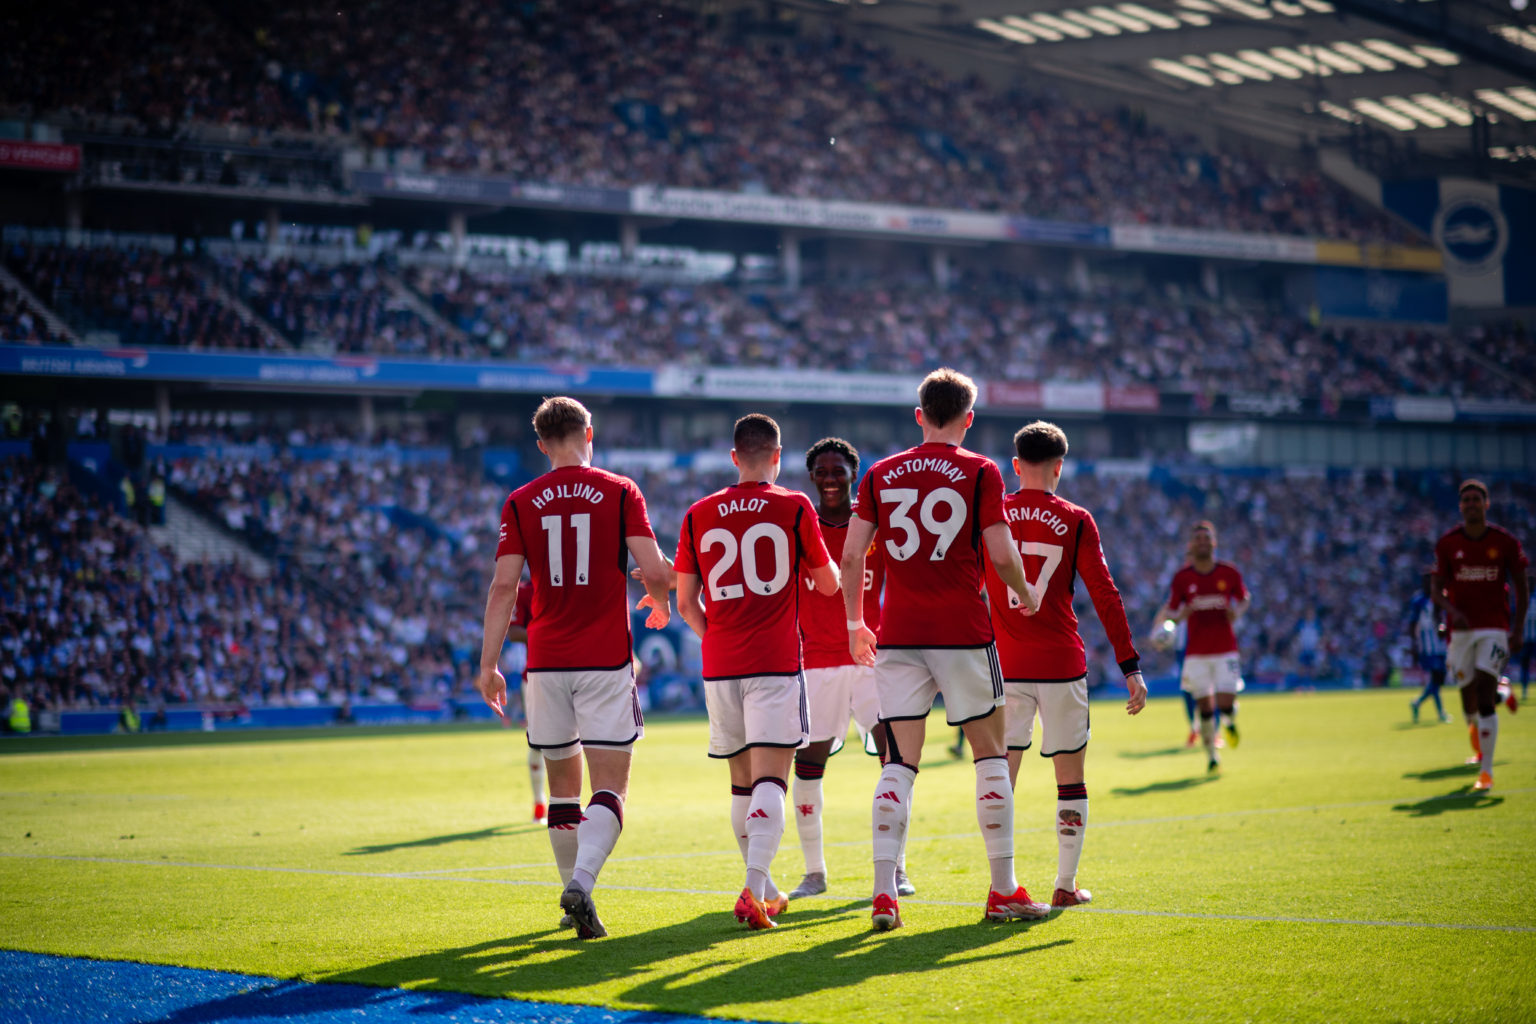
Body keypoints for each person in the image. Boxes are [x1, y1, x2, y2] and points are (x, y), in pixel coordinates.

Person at [840, 367, 1045, 931]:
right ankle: (1002, 890)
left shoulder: (880, 473)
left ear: (919, 415)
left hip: (899, 633)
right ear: (969, 419)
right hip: (961, 631)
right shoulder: (980, 471)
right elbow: (1001, 555)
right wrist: (1026, 593)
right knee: (990, 755)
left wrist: (857, 621)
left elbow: (853, 557)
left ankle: (884, 894)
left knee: (899, 762)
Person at [475, 396, 673, 940]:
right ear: (591, 432)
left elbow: (502, 587)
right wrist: (661, 595)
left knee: (562, 788)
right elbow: (653, 566)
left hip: (545, 664)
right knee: (611, 787)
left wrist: (488, 665)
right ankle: (581, 885)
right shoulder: (620, 490)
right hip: (605, 661)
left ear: (541, 445)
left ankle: (571, 899)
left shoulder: (520, 500)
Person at [672, 413, 839, 931]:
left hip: (720, 664)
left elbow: (684, 601)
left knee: (741, 785)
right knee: (772, 778)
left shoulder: (699, 512)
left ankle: (764, 887)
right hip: (773, 662)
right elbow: (829, 584)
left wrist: (716, 636)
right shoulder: (793, 506)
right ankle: (752, 889)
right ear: (777, 456)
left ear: (733, 457)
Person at [983, 422, 1147, 909]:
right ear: (1060, 467)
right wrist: (1129, 665)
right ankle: (1065, 884)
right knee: (1070, 778)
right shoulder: (1076, 519)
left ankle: (1001, 885)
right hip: (1061, 664)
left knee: (1000, 777)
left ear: (1015, 466)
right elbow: (1105, 594)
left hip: (1005, 665)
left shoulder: (992, 515)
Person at [788, 437, 913, 902]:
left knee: (895, 758)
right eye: (821, 470)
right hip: (815, 662)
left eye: (838, 469)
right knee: (808, 765)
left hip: (871, 661)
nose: (829, 478)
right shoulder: (799, 526)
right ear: (811, 476)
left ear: (854, 473)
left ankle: (897, 868)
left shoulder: (874, 525)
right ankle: (814, 872)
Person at [1430, 479, 1529, 792]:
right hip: (1460, 635)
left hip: (1495, 629)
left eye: (1477, 499)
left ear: (1486, 504)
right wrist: (1450, 610)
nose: (1471, 504)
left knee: (1483, 697)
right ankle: (1503, 691)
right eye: (1466, 500)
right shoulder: (1448, 544)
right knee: (1468, 698)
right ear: (1461, 506)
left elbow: (1522, 585)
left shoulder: (1504, 542)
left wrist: (1518, 627)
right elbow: (1436, 587)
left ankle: (1486, 772)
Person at [1152, 521, 1250, 773]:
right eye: (1198, 539)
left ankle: (1228, 720)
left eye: (1207, 538)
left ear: (1214, 543)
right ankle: (1212, 755)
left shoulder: (1228, 572)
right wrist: (1173, 622)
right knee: (1205, 707)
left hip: (1225, 649)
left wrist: (1236, 612)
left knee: (1226, 703)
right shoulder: (1183, 578)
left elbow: (1244, 598)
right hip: (1196, 653)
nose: (1203, 542)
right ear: (1191, 545)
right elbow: (1172, 612)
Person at [504, 574, 549, 823]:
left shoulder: (573, 583)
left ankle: (567, 801)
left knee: (574, 738)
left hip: (575, 671)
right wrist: (548, 638)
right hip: (535, 673)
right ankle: (539, 800)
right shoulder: (523, 591)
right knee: (538, 740)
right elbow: (514, 632)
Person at [1404, 570, 1450, 724]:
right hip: (1428, 646)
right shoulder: (1419, 601)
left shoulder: (1441, 596)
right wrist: (1414, 645)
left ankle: (1417, 702)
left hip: (1441, 645)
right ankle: (1440, 713)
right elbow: (1412, 623)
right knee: (1436, 678)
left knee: (1439, 680)